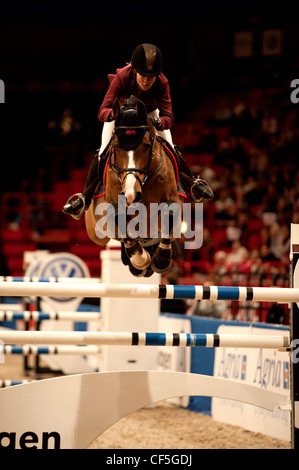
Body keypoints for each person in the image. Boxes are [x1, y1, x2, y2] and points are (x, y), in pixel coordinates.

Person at [63, 43, 213, 218]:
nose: (147, 81)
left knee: (171, 148)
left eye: (152, 76)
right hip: (120, 116)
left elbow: (169, 117)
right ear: (134, 70)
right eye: (143, 75)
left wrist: (159, 122)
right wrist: (113, 114)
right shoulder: (122, 77)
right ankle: (84, 198)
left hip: (149, 115)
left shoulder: (162, 82)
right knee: (103, 150)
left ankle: (192, 184)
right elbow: (102, 111)